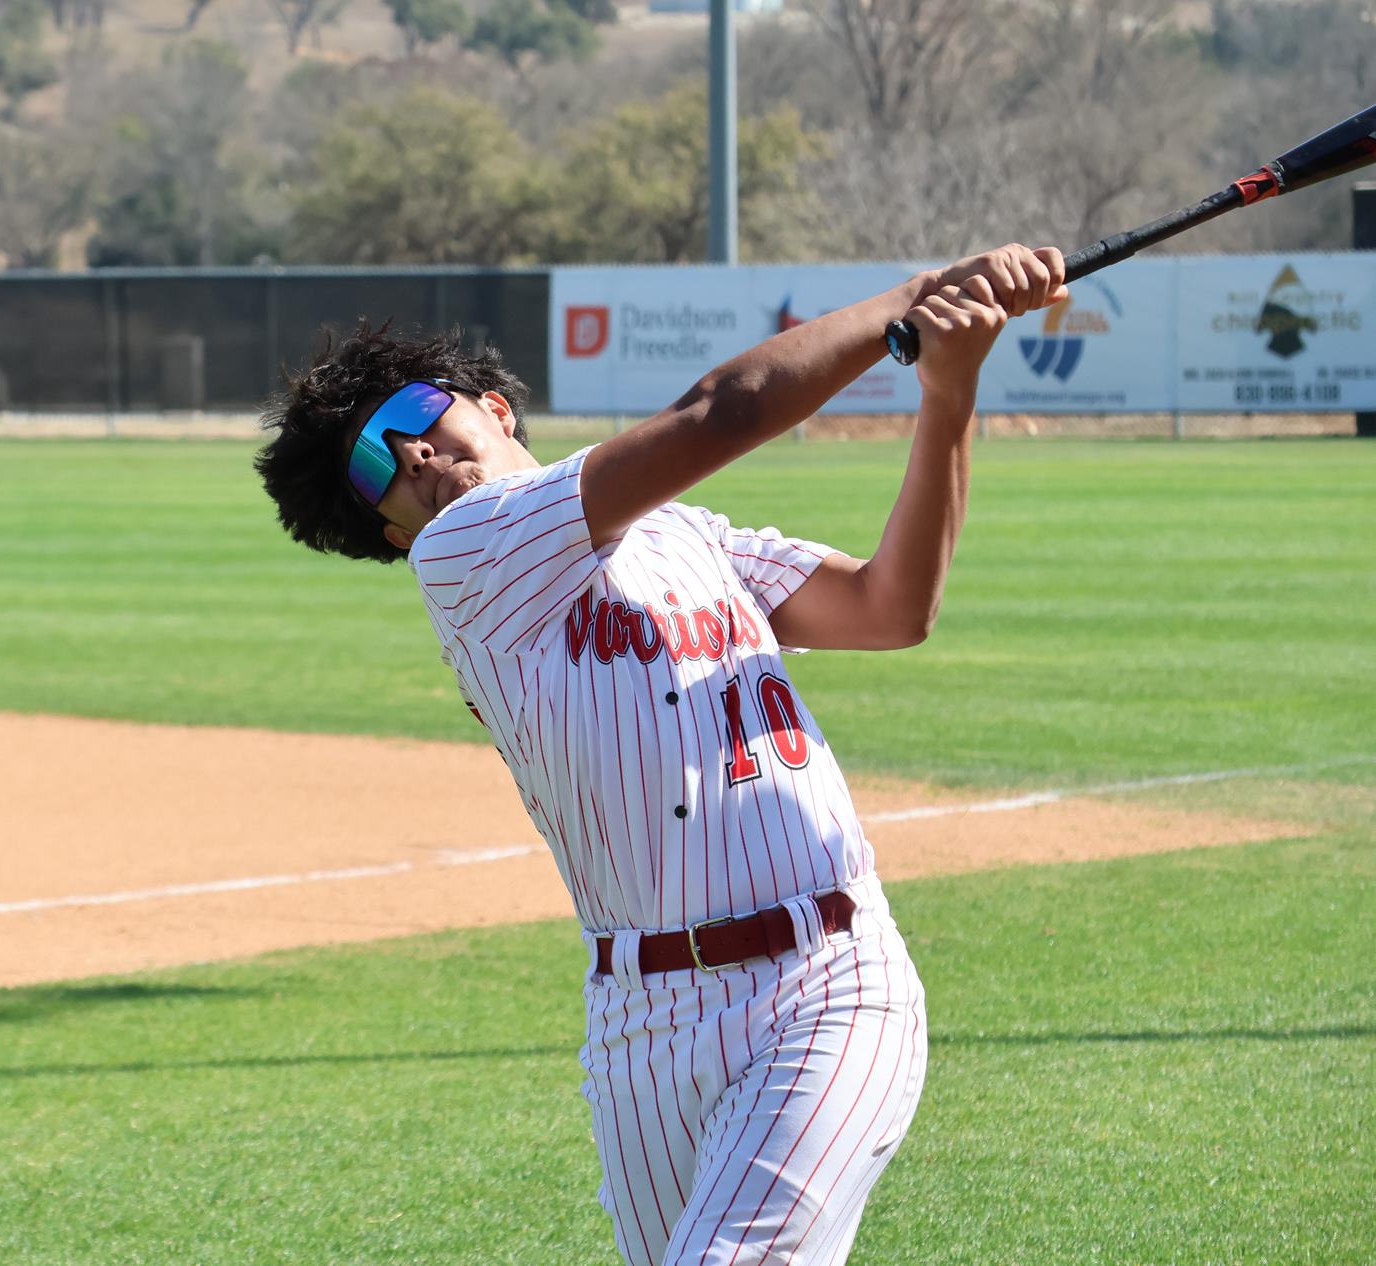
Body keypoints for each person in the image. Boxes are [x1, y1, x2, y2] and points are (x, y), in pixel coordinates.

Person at [254, 245, 1068, 1266]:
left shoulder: (688, 536)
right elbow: (721, 412)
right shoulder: (465, 558)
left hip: (827, 979)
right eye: (377, 467)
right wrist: (912, 298)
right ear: (390, 534)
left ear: (494, 407)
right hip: (639, 1028)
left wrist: (947, 394)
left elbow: (888, 606)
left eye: (414, 416)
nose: (409, 455)